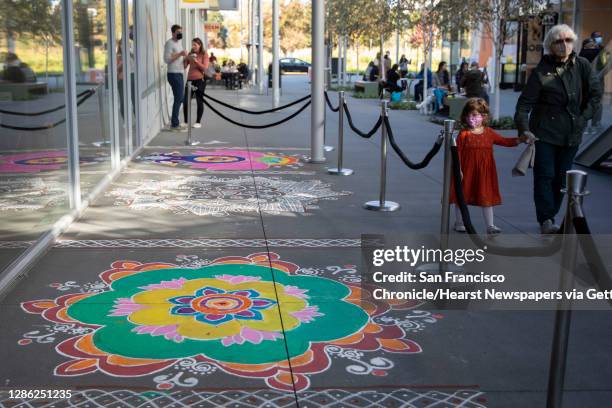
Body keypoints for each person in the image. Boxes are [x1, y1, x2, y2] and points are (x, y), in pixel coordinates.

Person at [514, 24, 601, 234]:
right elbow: (523, 105)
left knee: (562, 177)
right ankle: (546, 219)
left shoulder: (582, 65)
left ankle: (550, 213)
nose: (564, 45)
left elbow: (595, 95)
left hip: (572, 133)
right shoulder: (541, 72)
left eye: (568, 40)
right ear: (550, 46)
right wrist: (524, 129)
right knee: (545, 175)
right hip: (544, 133)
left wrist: (583, 118)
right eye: (559, 41)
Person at [452, 98, 532, 235]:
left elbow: (504, 141)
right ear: (465, 116)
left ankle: (490, 225)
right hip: (467, 171)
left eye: (475, 115)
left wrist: (520, 140)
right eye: (469, 115)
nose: (472, 118)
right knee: (462, 196)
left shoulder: (488, 132)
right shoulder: (464, 134)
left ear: (483, 116)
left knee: (486, 196)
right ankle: (460, 222)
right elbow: (457, 152)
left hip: (484, 172)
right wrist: (458, 169)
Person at [164, 24, 188, 131]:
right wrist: (180, 54)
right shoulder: (169, 43)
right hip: (173, 74)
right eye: (178, 32)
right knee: (179, 98)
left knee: (180, 98)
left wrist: (187, 58)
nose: (180, 34)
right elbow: (167, 59)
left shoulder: (179, 43)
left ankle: (175, 122)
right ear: (173, 33)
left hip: (180, 72)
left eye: (181, 32)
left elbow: (180, 58)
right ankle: (174, 124)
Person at [183, 38, 208, 129]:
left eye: (195, 45)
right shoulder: (190, 54)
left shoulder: (204, 54)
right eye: (192, 45)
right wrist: (186, 58)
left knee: (199, 101)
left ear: (200, 45)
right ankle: (186, 121)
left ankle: (198, 121)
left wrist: (196, 61)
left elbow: (205, 68)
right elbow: (185, 66)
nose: (193, 47)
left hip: (200, 80)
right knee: (185, 101)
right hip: (189, 80)